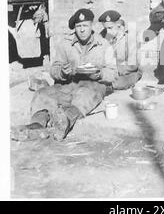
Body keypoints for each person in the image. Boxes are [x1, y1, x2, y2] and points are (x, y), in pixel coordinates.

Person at [11, 8, 119, 141]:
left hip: (92, 85)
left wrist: (99, 73)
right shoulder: (65, 43)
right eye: (79, 26)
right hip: (67, 84)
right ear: (75, 27)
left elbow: (113, 74)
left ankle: (65, 121)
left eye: (85, 25)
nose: (82, 30)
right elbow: (54, 68)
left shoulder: (104, 44)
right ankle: (37, 125)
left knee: (85, 95)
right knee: (42, 93)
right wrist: (61, 72)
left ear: (92, 26)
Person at [98, 10, 142, 90]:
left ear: (119, 26)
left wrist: (115, 67)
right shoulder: (105, 35)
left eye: (110, 28)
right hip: (110, 70)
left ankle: (109, 86)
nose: (107, 31)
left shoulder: (130, 38)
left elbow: (133, 66)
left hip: (127, 73)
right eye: (105, 28)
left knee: (119, 82)